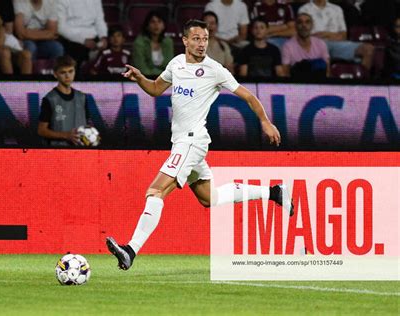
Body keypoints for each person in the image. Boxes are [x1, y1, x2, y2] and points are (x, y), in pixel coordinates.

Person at [106, 19, 294, 271]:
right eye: (196, 39)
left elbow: (248, 95)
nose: (201, 44)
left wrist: (265, 121)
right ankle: (274, 193)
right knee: (209, 198)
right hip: (183, 142)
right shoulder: (176, 63)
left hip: (192, 141)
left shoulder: (215, 69)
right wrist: (140, 78)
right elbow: (154, 89)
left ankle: (131, 250)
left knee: (155, 191)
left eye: (204, 39)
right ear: (184, 41)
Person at [298, 0, 374, 72]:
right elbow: (305, 35)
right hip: (316, 45)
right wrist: (332, 35)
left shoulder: (337, 9)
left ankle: (361, 83)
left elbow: (343, 36)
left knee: (368, 49)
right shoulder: (304, 9)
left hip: (337, 44)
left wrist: (325, 34)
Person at [37, 55, 89, 146]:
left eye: (70, 71)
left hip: (81, 152)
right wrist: (66, 135)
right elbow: (41, 130)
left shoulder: (82, 97)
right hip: (58, 152)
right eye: (63, 72)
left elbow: (86, 123)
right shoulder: (50, 99)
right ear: (55, 74)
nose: (67, 76)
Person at [56, 0, 108, 67]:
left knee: (110, 48)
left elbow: (100, 20)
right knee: (78, 52)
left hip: (93, 36)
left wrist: (103, 37)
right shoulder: (61, 1)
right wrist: (83, 40)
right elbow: (61, 28)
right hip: (72, 38)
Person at [281, 12, 330, 78]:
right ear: (295, 26)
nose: (304, 25)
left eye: (307, 22)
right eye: (300, 22)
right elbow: (286, 73)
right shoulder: (287, 46)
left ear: (312, 25)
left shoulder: (321, 44)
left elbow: (327, 72)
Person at [132, 10, 174, 76]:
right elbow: (140, 67)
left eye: (159, 21)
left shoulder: (168, 42)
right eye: (152, 22)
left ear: (163, 25)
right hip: (145, 78)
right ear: (147, 26)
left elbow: (169, 66)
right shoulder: (139, 43)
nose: (156, 25)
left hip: (164, 79)